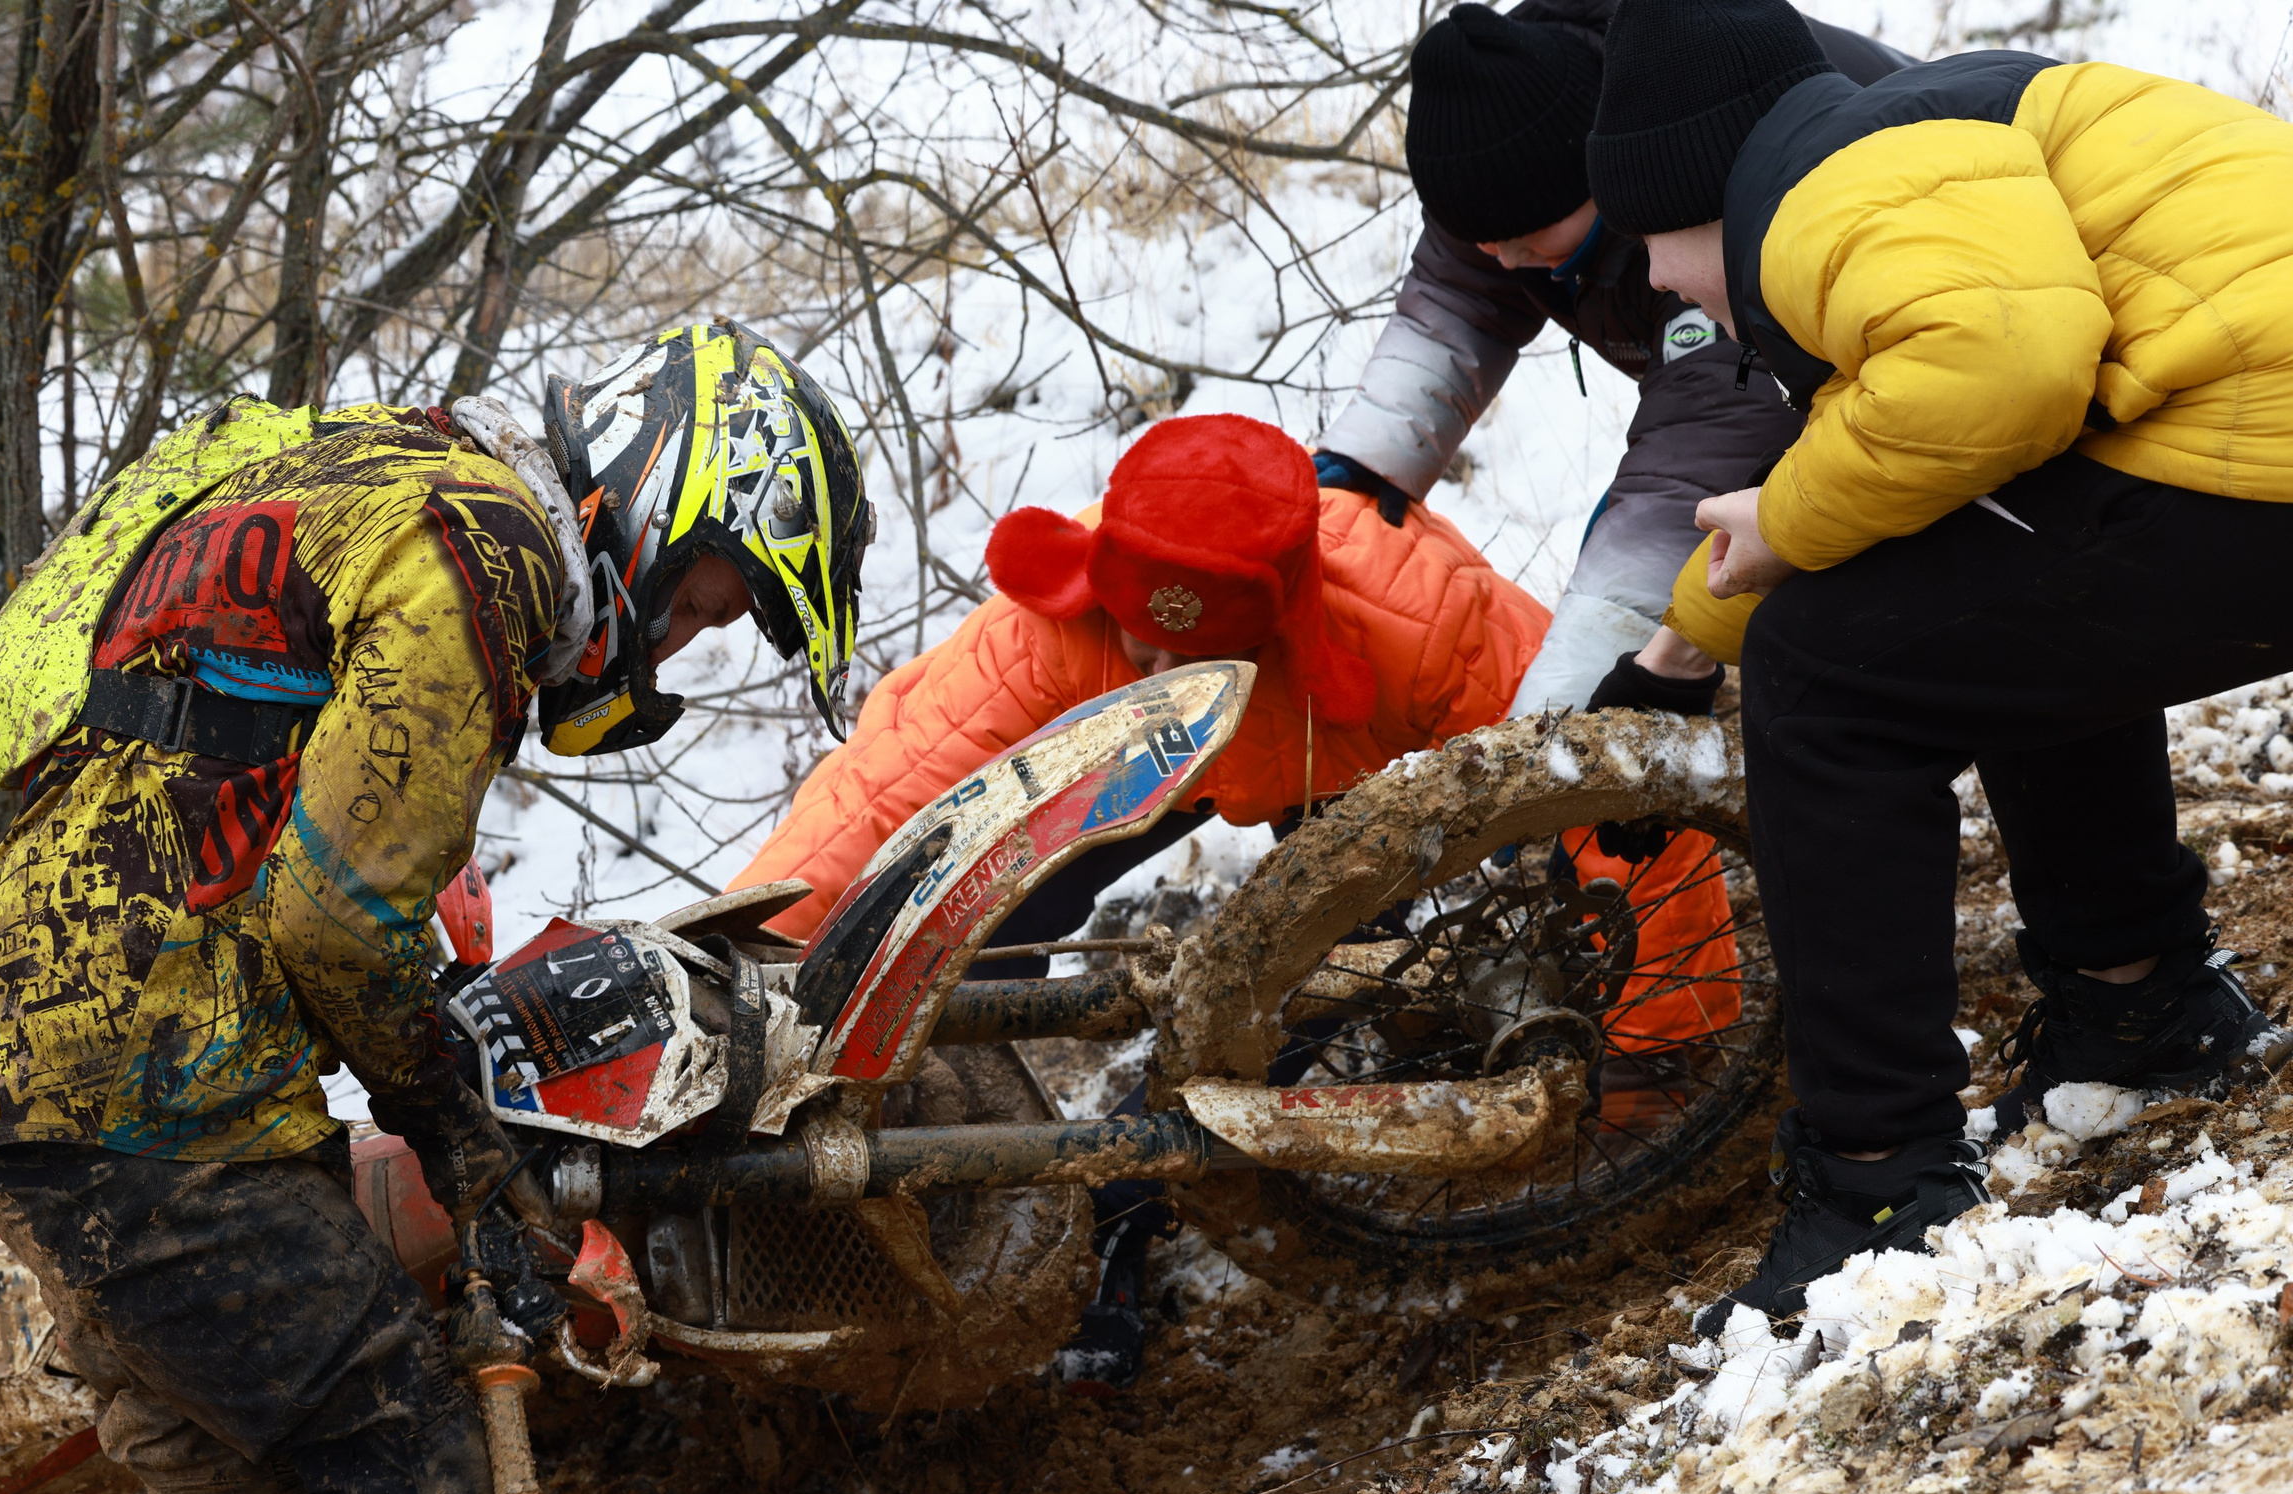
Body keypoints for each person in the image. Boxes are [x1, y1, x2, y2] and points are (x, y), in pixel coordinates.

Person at [0, 322, 871, 1494]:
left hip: (52, 1066)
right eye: (716, 604)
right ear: (676, 492)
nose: (690, 639)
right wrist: (456, 1137)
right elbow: (333, 915)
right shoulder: (481, 549)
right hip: (146, 1104)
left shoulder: (370, 471)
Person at [732, 412, 1737, 1388]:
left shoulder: (1419, 618)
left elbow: (1601, 782)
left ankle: (1124, 1207)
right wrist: (741, 990)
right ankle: (968, 1184)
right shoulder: (1047, 641)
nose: (1166, 674)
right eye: (1146, 649)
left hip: (1338, 751)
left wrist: (1657, 1050)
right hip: (1122, 755)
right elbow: (879, 819)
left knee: (1296, 978)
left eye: (1198, 657)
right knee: (968, 916)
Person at [1580, 0, 2293, 1335]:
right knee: (1997, 594)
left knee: (1828, 680)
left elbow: (2001, 370)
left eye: (1658, 256)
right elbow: (1937, 450)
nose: (1672, 293)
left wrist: (1769, 559)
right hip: (2248, 428)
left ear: (1694, 191)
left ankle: (1876, 1183)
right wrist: (1677, 650)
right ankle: (2139, 1010)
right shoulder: (1918, 130)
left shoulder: (1814, 202)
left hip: (2263, 453)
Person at [1314, 0, 1909, 724]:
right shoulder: (1513, 135)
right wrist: (1368, 462)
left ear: (1599, 178)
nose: (1505, 259)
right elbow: (1458, 297)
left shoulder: (1701, 190)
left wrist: (1552, 739)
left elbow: (1693, 459)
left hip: (1933, 307)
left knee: (1836, 610)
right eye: (1484, 240)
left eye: (1526, 236)